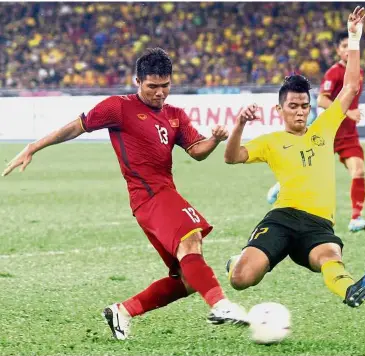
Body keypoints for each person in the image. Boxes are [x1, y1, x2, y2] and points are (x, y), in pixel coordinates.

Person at [2, 48, 248, 340]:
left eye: (165, 86)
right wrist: (33, 147)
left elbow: (197, 152)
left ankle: (123, 311)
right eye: (152, 86)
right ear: (137, 81)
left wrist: (216, 140)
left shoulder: (175, 115)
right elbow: (75, 128)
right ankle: (220, 305)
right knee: (190, 239)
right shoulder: (118, 108)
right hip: (149, 196)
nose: (159, 93)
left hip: (164, 193)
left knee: (188, 279)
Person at [223, 7, 365, 308]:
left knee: (330, 256)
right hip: (283, 218)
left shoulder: (323, 127)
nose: (300, 111)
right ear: (280, 109)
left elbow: (350, 87)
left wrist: (354, 37)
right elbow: (231, 157)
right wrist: (240, 124)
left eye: (304, 105)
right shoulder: (271, 142)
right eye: (294, 106)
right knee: (241, 279)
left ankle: (351, 290)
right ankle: (237, 261)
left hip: (318, 224)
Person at [266, 31, 365, 233]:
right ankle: (281, 186)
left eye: (349, 47)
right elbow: (323, 100)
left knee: (358, 171)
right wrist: (347, 112)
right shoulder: (333, 72)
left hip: (348, 135)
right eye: (343, 47)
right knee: (305, 169)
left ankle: (356, 218)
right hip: (328, 132)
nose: (347, 52)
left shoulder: (358, 72)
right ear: (337, 50)